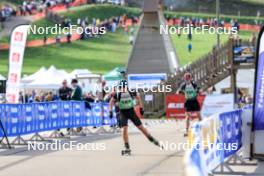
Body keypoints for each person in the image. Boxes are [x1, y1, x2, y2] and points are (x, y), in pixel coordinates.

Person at [109, 80, 162, 155]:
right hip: (123, 112)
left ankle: (152, 139)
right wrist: (110, 111)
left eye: (124, 87)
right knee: (124, 128)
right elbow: (111, 102)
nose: (122, 89)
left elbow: (138, 97)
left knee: (141, 128)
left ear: (127, 87)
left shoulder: (131, 92)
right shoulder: (117, 94)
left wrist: (141, 108)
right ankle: (127, 147)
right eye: (121, 87)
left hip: (131, 111)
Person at [177, 72, 201, 137]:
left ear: (190, 78)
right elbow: (178, 92)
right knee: (187, 116)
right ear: (184, 79)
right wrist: (183, 93)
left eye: (188, 78)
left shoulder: (193, 84)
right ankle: (187, 131)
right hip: (188, 101)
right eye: (186, 78)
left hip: (194, 101)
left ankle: (202, 128)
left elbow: (198, 90)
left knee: (198, 115)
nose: (187, 80)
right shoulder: (183, 85)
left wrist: (197, 92)